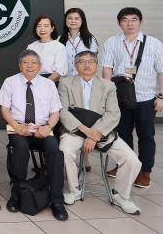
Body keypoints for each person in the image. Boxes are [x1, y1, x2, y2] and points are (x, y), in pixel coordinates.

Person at [58, 51, 142, 214]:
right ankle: (73, 190)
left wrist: (95, 134)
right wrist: (85, 131)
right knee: (64, 151)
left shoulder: (108, 85)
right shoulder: (66, 83)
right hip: (75, 130)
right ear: (75, 65)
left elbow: (113, 114)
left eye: (91, 61)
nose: (87, 65)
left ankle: (121, 195)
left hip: (102, 131)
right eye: (82, 61)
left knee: (132, 160)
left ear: (97, 65)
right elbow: (62, 110)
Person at [0, 49, 68, 221]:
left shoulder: (48, 84)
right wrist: (17, 126)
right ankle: (16, 194)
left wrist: (48, 126)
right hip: (19, 127)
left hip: (43, 128)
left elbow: (55, 112)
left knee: (55, 151)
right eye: (25, 63)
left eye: (34, 63)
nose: (30, 66)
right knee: (20, 149)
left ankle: (57, 200)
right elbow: (4, 109)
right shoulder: (10, 82)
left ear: (40, 66)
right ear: (19, 65)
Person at [101, 7, 163, 188]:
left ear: (140, 22)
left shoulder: (154, 44)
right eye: (125, 20)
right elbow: (107, 69)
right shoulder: (112, 42)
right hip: (120, 98)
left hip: (146, 97)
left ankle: (145, 171)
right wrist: (106, 96)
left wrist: (161, 96)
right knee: (122, 134)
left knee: (146, 135)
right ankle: (125, 166)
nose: (130, 23)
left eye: (134, 19)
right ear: (119, 23)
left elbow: (161, 71)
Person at [59, 8, 99, 78]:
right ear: (65, 20)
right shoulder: (59, 39)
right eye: (70, 18)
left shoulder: (90, 39)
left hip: (84, 78)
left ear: (82, 21)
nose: (73, 21)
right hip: (64, 80)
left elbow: (93, 62)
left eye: (76, 18)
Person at [27, 15, 67, 82]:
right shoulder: (31, 47)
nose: (42, 29)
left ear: (52, 28)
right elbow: (27, 68)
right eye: (39, 26)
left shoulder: (59, 46)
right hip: (33, 81)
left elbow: (58, 73)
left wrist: (44, 85)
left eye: (46, 26)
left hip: (52, 82)